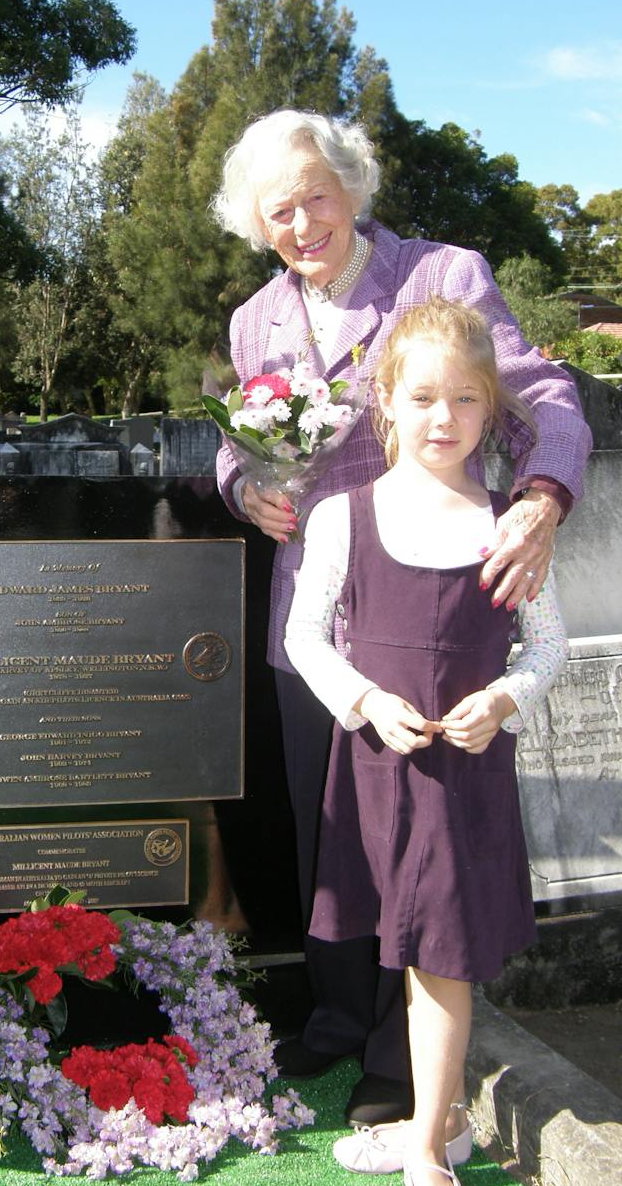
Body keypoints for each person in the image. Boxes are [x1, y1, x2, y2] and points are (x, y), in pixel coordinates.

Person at [211, 109, 591, 1128]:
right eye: (278, 209)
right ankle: (337, 1014)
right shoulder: (256, 320)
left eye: (316, 196)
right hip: (318, 620)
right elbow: (237, 439)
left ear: (352, 186)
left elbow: (544, 394)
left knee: (418, 840)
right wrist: (243, 487)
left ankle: (397, 1046)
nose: (301, 222)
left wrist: (542, 498)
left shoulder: (442, 277)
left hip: (426, 611)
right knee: (331, 827)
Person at [284, 297, 568, 1186]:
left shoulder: (508, 526)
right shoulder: (340, 514)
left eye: (466, 400)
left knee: (440, 958)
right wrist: (363, 699)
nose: (443, 418)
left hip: (462, 775)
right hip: (375, 767)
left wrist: (504, 698)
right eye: (422, 398)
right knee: (398, 949)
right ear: (386, 403)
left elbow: (546, 646)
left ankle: (426, 1161)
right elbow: (307, 633)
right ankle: (437, 1124)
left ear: (491, 409)